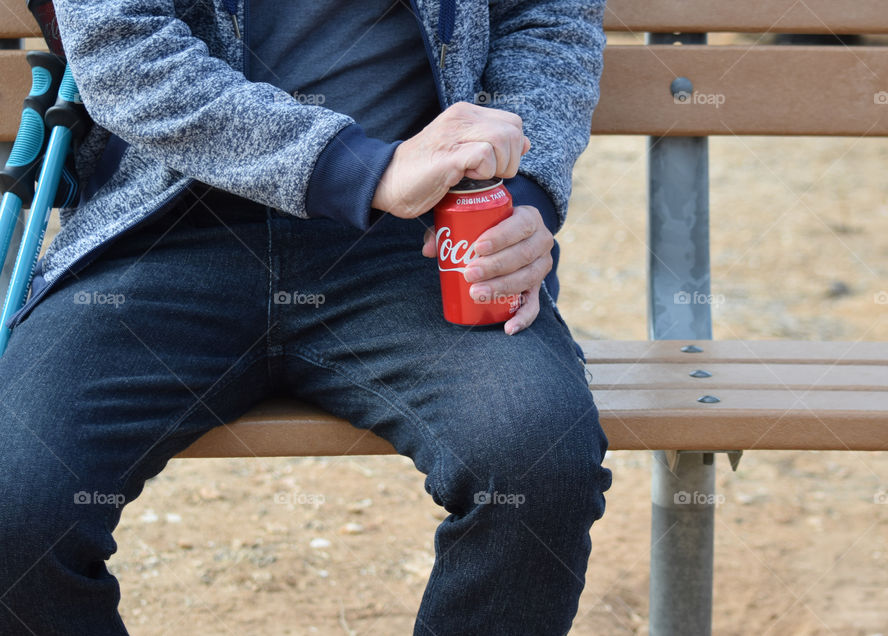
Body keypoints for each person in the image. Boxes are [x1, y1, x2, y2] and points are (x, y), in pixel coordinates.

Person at [0, 0, 612, 634]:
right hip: (160, 231)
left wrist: (521, 192)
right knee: (12, 507)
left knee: (538, 465)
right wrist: (360, 169)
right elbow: (122, 47)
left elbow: (546, 18)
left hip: (414, 239)